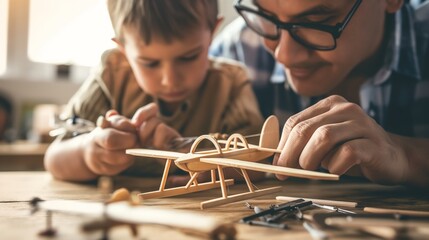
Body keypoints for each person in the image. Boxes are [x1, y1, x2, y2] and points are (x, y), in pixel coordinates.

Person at [213, 0, 429, 188]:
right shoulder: (240, 49)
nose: (284, 55)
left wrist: (408, 158)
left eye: (316, 21)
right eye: (267, 16)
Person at [44, 0, 264, 182]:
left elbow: (259, 162)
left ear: (212, 33)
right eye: (149, 63)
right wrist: (87, 153)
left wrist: (184, 156)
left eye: (188, 57)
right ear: (123, 49)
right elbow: (54, 157)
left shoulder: (231, 83)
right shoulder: (112, 73)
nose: (170, 80)